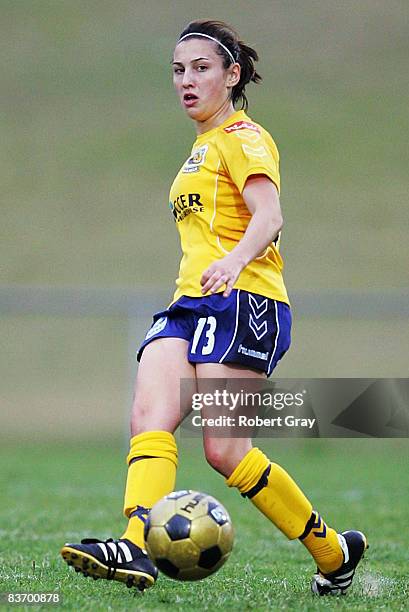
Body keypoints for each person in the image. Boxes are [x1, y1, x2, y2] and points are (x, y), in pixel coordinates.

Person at [61, 19, 367, 596]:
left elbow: (268, 216)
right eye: (178, 70)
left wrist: (234, 261)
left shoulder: (245, 136)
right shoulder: (199, 149)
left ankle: (334, 553)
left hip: (245, 301)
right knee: (149, 417)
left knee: (226, 451)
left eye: (201, 68)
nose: (187, 80)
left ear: (233, 75)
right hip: (189, 303)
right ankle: (133, 545)